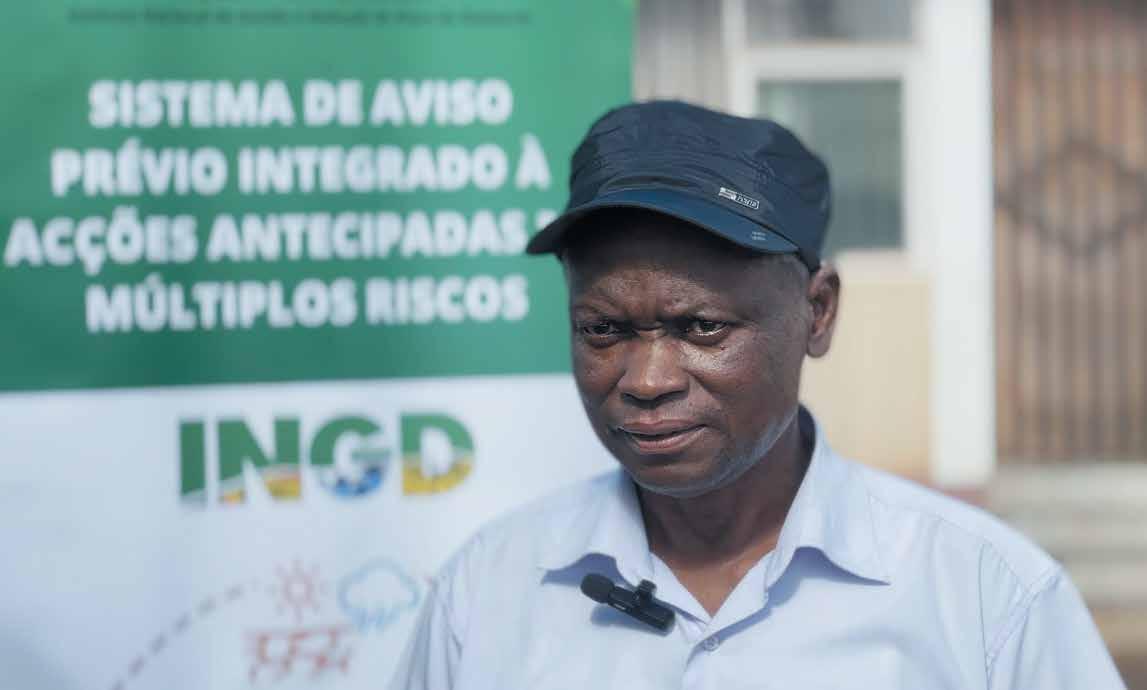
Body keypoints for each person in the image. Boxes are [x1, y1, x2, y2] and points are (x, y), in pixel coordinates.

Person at [388, 101, 1125, 689]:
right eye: (603, 330)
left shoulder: (984, 597)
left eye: (702, 327)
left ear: (817, 312)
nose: (646, 380)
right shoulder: (486, 593)